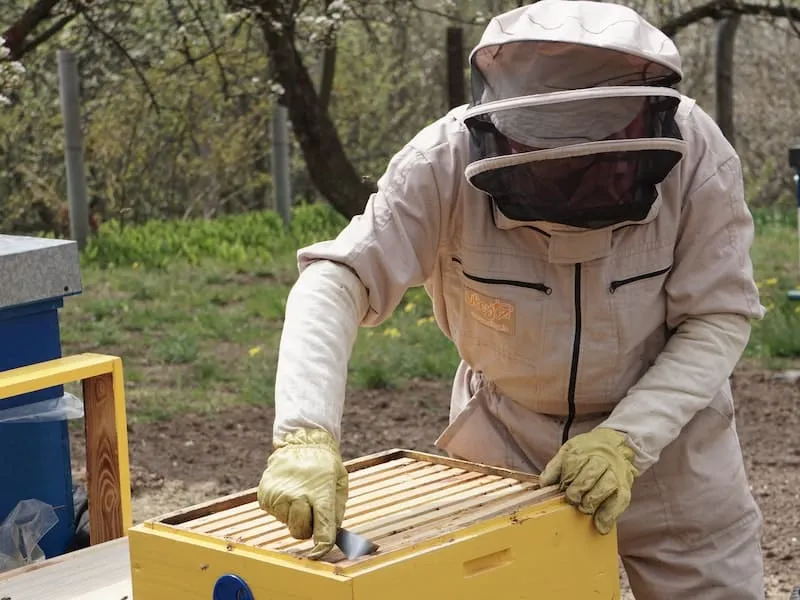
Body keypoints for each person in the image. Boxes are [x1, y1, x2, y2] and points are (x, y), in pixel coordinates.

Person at [255, 1, 766, 597]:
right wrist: (305, 433)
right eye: (549, 162)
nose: (572, 177)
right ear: (503, 129)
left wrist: (627, 441)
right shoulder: (439, 161)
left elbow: (717, 315)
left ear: (637, 122)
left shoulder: (698, 153)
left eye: (595, 157)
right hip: (507, 442)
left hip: (672, 443)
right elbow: (336, 280)